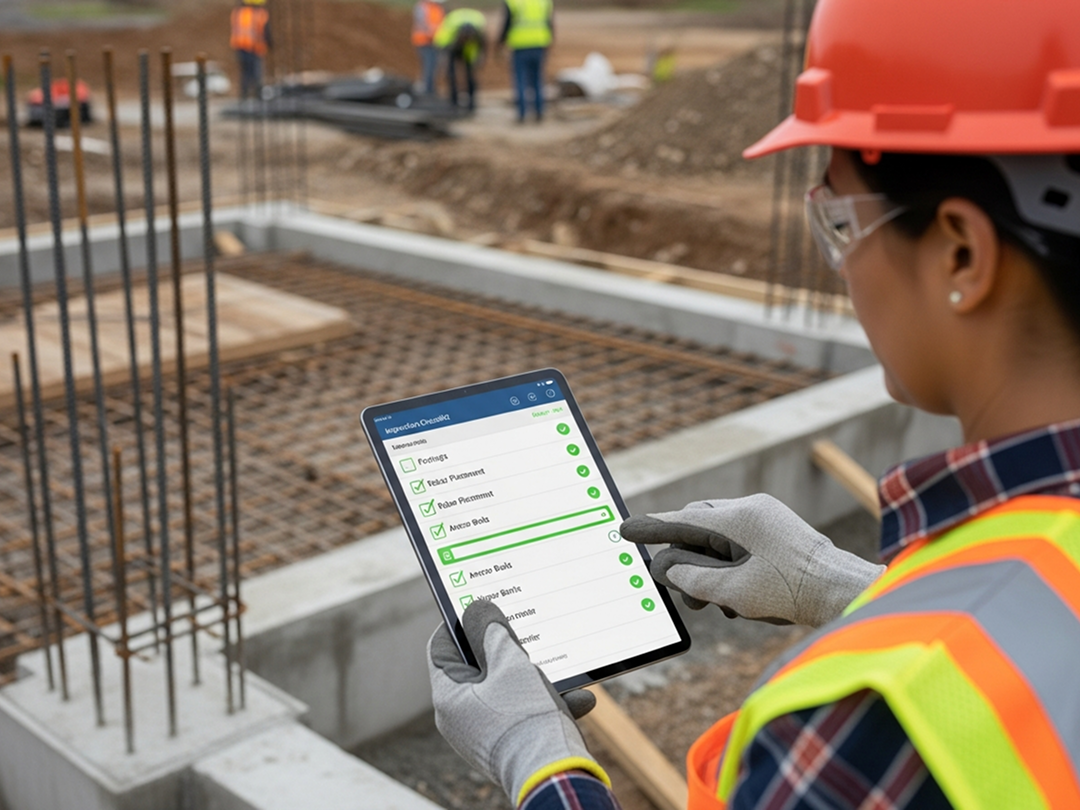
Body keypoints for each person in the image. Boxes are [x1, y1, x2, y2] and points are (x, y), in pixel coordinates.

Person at [427, 0, 1080, 808]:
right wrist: (849, 589)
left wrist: (538, 760)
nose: (842, 268)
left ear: (961, 252)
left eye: (839, 223)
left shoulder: (869, 728)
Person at [497, 0, 552, 122]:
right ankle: (539, 112)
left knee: (520, 80)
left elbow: (507, 23)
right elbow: (549, 23)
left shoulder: (513, 2)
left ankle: (522, 114)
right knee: (537, 79)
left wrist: (500, 42)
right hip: (539, 43)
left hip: (520, 46)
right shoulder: (543, 2)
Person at [433, 8, 487, 113]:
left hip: (469, 50)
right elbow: (439, 44)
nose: (465, 40)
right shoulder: (449, 31)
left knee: (470, 76)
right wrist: (443, 60)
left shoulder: (478, 27)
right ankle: (453, 101)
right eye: (464, 39)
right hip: (452, 47)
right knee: (451, 74)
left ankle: (471, 103)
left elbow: (483, 45)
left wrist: (480, 57)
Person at [230, 0, 271, 101]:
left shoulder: (238, 12)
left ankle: (244, 96)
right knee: (256, 72)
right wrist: (269, 43)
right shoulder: (259, 13)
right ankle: (257, 96)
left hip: (240, 46)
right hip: (253, 47)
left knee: (246, 73)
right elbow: (265, 30)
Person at [412, 0, 447, 96]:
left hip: (436, 42)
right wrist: (431, 33)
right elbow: (422, 22)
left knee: (434, 67)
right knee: (429, 66)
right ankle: (427, 91)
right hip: (424, 41)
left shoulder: (438, 8)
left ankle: (430, 90)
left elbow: (442, 24)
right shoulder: (423, 6)